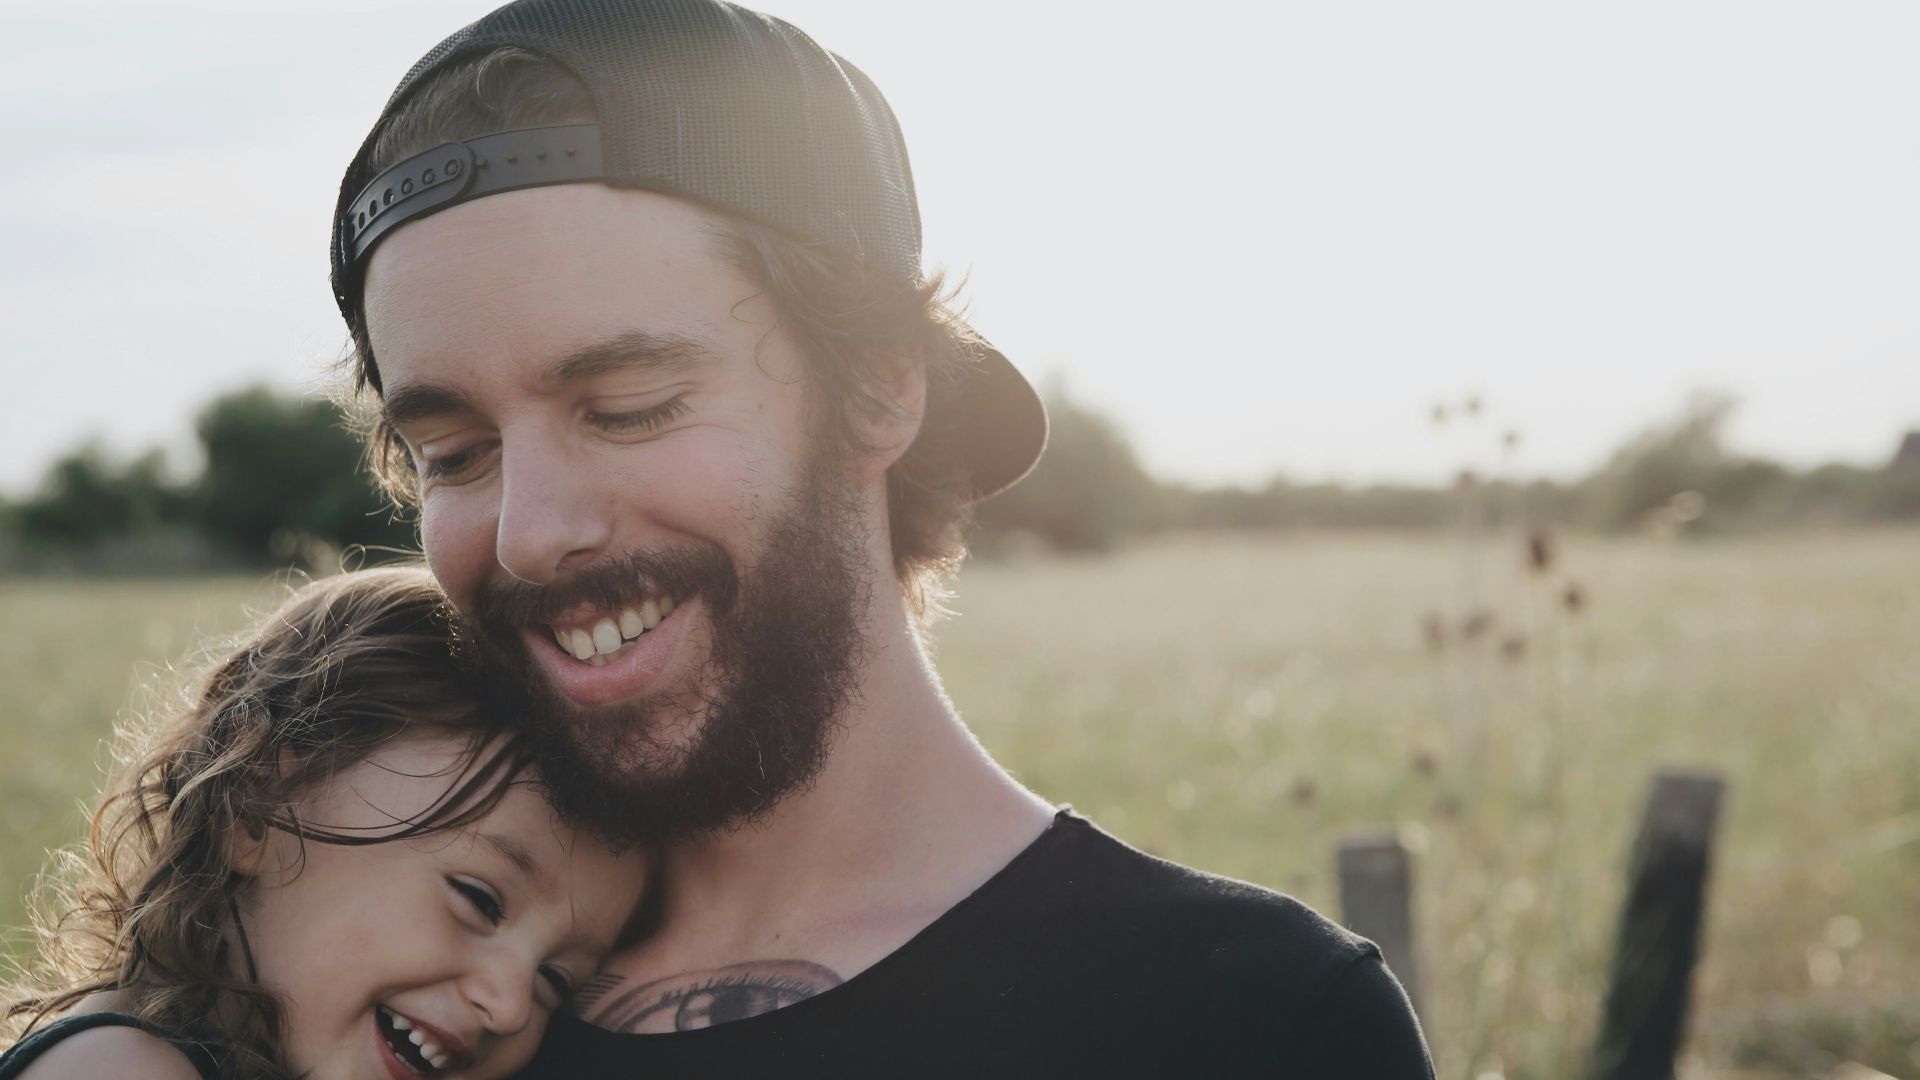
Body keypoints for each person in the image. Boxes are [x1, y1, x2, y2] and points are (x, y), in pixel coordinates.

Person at [329, 1, 1435, 1074]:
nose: (529, 533)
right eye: (457, 453)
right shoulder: (394, 1012)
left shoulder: (1243, 1023)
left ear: (875, 391)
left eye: (628, 406)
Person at [0, 568, 650, 1079]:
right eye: (478, 900)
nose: (508, 1005)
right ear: (256, 802)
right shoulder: (121, 1069)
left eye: (555, 980)